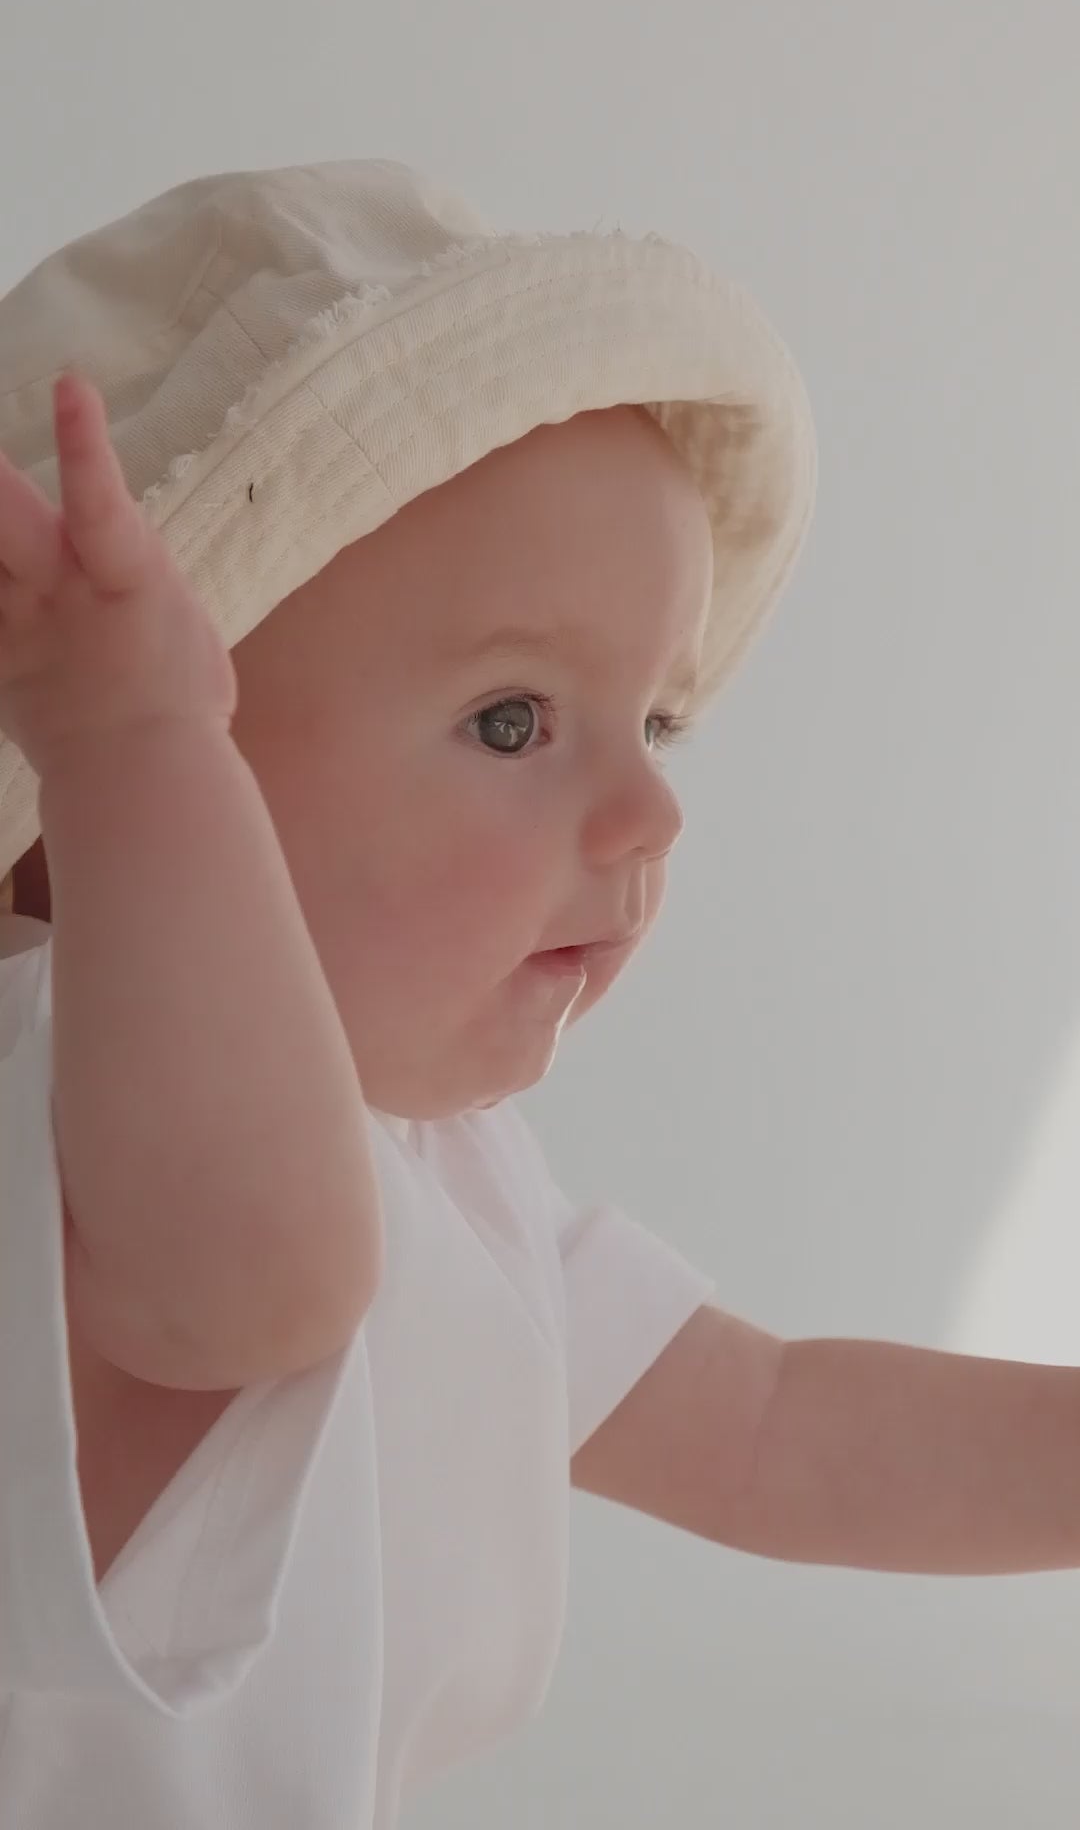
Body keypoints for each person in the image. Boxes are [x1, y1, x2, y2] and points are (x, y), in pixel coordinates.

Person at [0, 160, 1076, 1830]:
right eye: (513, 723)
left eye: (656, 722)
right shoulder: (68, 1100)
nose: (650, 815)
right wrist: (129, 749)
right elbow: (257, 1291)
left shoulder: (450, 1173)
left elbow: (774, 1426)